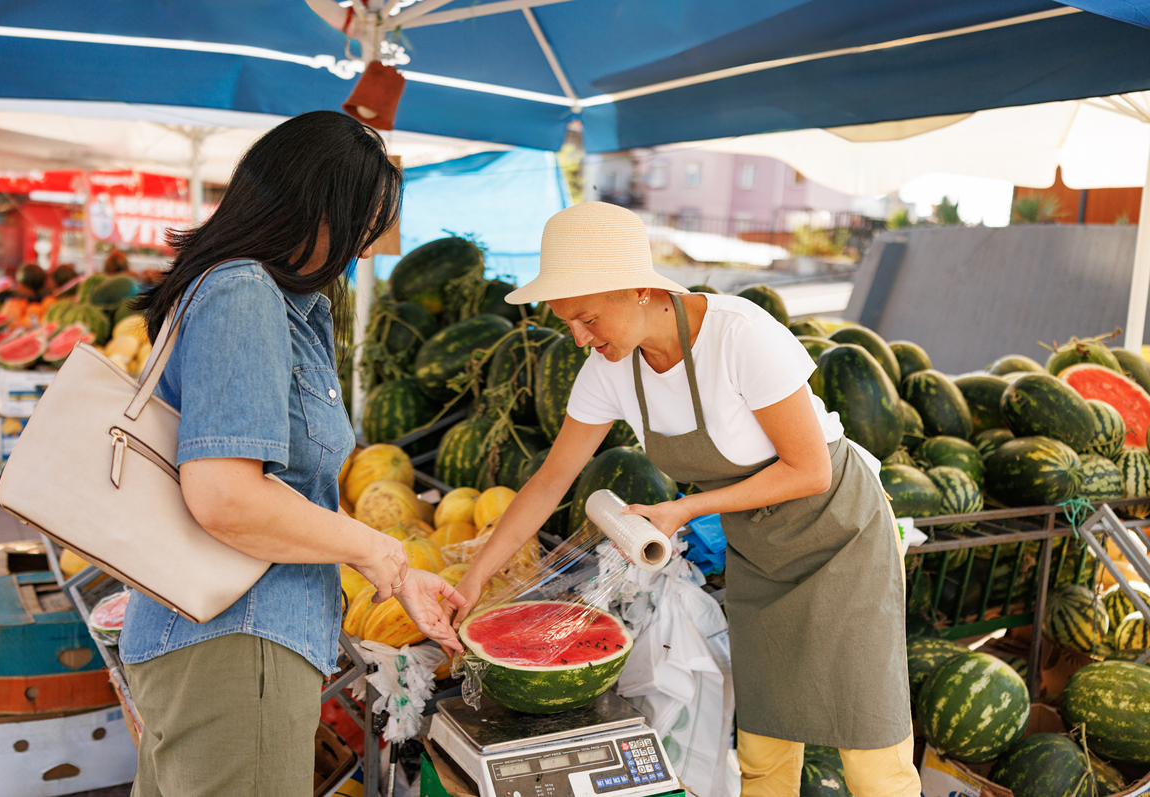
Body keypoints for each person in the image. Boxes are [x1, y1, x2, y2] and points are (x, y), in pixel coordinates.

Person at [450, 202, 920, 797]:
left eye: (588, 318)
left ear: (640, 289)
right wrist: (476, 578)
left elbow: (810, 471)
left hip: (841, 538)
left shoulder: (738, 335)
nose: (580, 338)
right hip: (759, 553)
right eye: (568, 323)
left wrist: (683, 510)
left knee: (872, 756)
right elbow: (549, 482)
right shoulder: (608, 369)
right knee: (764, 752)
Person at [118, 110, 466, 797]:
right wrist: (376, 549)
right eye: (364, 225)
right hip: (236, 642)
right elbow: (226, 496)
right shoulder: (243, 292)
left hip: (223, 640)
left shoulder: (264, 297)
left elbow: (290, 494)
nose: (365, 249)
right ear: (319, 211)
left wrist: (397, 574)